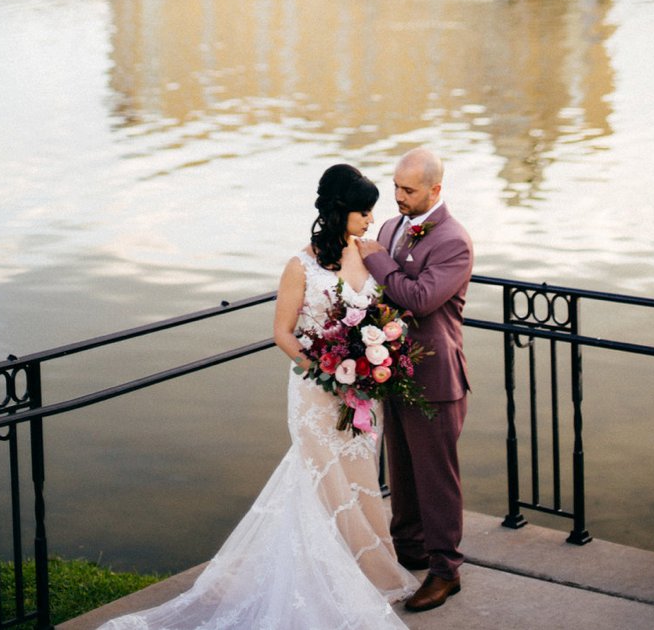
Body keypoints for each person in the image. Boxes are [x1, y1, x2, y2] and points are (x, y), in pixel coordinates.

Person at [98, 162, 416, 630]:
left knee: (359, 478)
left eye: (372, 212)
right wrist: (326, 371)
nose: (371, 220)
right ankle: (317, 583)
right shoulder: (299, 265)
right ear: (339, 211)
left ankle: (365, 575)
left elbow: (377, 310)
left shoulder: (368, 254)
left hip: (361, 392)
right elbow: (283, 334)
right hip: (317, 391)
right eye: (363, 212)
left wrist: (372, 359)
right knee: (319, 482)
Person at [358, 146, 474, 614]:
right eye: (396, 187)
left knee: (436, 477)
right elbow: (383, 293)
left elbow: (421, 299)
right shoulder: (389, 227)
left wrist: (377, 261)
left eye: (408, 190)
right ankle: (409, 549)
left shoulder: (453, 241)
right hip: (394, 371)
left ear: (435, 189)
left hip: (437, 376)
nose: (398, 197)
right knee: (402, 470)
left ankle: (446, 571)